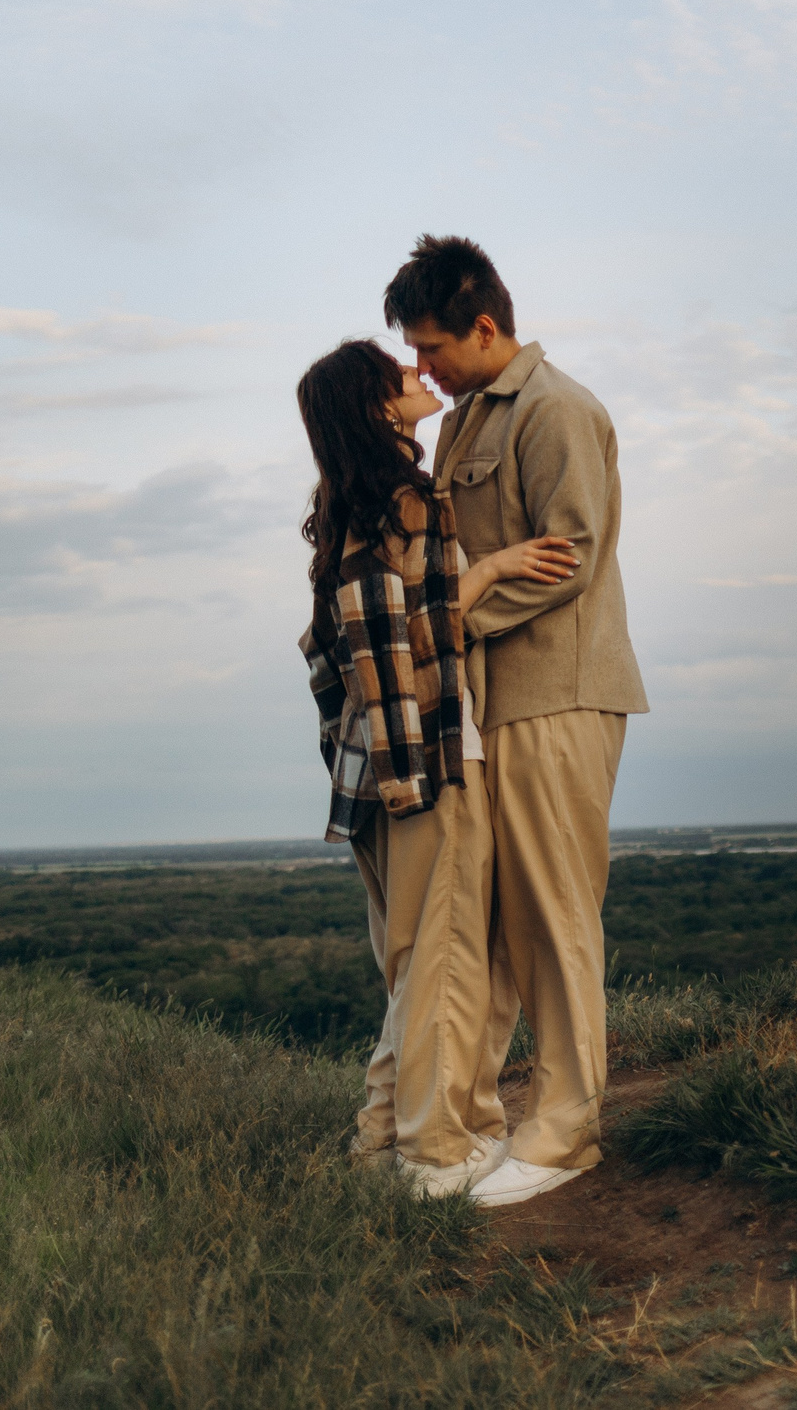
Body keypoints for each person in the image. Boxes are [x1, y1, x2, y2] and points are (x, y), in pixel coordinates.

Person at [384, 235, 649, 1207]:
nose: (424, 370)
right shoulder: (466, 424)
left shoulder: (557, 409)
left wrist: (447, 622)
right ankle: (479, 1124)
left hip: (557, 692)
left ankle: (566, 1132)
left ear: (484, 326)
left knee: (552, 915)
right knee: (491, 924)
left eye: (431, 350)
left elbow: (569, 552)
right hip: (491, 704)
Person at [295, 339, 578, 1198]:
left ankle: (382, 1146)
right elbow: (404, 640)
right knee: (449, 961)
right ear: (379, 409)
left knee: (414, 965)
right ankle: (436, 1155)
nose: (417, 377)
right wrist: (490, 568)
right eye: (398, 375)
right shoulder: (404, 501)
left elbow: (332, 653)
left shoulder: (342, 504)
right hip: (423, 760)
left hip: (370, 774)